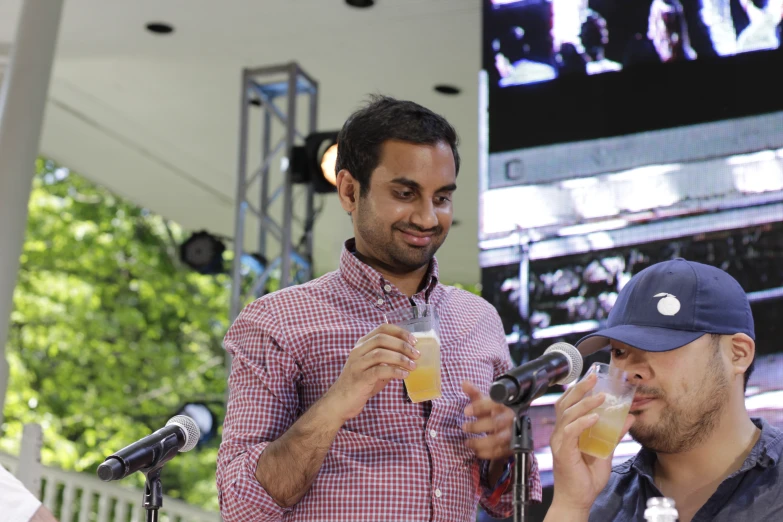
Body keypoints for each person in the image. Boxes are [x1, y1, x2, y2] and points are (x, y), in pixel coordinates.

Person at [216, 95, 542, 522]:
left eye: (441, 198)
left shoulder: (479, 320)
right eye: (406, 194)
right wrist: (336, 403)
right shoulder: (276, 321)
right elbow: (240, 506)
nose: (427, 218)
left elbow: (505, 503)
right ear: (350, 190)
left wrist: (504, 454)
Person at [543, 258, 783, 522]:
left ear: (738, 354)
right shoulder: (595, 502)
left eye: (662, 345)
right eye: (619, 351)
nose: (632, 370)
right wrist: (570, 505)